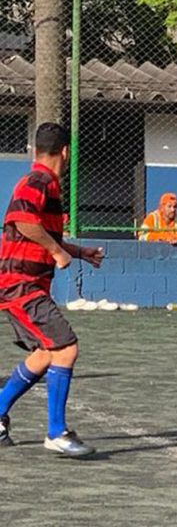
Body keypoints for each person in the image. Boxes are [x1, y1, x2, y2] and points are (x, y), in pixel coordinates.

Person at [0, 123, 104, 456]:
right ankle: (56, 432)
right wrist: (58, 252)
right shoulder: (40, 180)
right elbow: (23, 221)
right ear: (65, 152)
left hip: (22, 285)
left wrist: (77, 251)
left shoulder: (44, 183)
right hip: (21, 285)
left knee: (46, 353)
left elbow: (41, 231)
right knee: (66, 347)